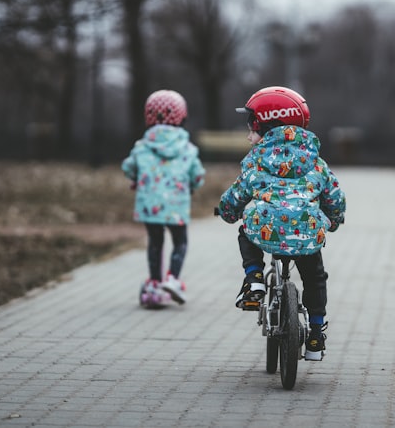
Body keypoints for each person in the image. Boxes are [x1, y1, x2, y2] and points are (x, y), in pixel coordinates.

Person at [216, 86, 346, 361]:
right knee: (315, 277)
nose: (249, 136)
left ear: (266, 127)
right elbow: (334, 196)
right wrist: (334, 219)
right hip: (306, 232)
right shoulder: (316, 162)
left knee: (245, 231)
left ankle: (254, 279)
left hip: (266, 227)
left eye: (252, 128)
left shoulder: (255, 161)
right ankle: (315, 334)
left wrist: (227, 212)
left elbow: (237, 195)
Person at [122, 89, 205, 308]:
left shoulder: (142, 146)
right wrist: (193, 185)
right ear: (182, 116)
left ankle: (154, 283)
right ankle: (173, 279)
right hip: (177, 205)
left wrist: (136, 177)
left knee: (155, 243)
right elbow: (197, 175)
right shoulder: (187, 149)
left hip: (150, 207)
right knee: (180, 242)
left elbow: (128, 167)